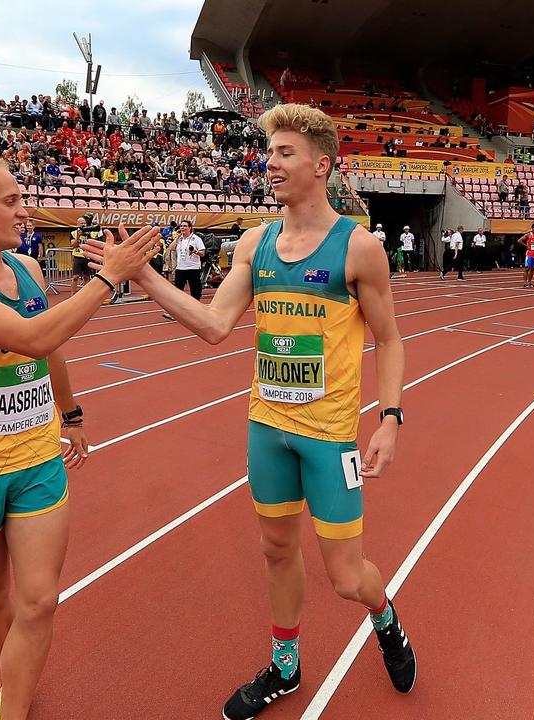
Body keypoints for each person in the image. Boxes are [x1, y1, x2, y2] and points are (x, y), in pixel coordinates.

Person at [85, 103, 415, 720]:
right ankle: (285, 668)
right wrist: (145, 278)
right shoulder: (255, 243)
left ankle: (384, 615)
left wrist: (390, 418)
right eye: (269, 153)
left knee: (346, 576)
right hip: (268, 428)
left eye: (285, 154)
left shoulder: (359, 248)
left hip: (327, 436)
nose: (270, 163)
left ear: (322, 166)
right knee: (275, 549)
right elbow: (213, 325)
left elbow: (389, 338)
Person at [0, 153, 159, 720]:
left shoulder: (28, 271)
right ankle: (12, 682)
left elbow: (49, 351)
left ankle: (10, 710)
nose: (25, 210)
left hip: (37, 458)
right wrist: (110, 277)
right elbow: (32, 337)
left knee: (39, 601)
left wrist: (72, 414)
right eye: (11, 200)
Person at [67, 213, 97, 292]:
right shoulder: (73, 233)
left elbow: (94, 243)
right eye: (81, 224)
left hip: (88, 256)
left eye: (84, 223)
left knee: (86, 277)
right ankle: (73, 295)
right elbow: (74, 245)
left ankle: (85, 294)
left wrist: (89, 234)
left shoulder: (92, 232)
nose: (83, 225)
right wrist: (78, 236)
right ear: (77, 225)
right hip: (78, 256)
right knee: (75, 277)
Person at [519, 223, 534, 288]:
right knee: (527, 268)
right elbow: (519, 241)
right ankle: (525, 282)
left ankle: (529, 282)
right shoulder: (528, 235)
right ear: (532, 228)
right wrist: (526, 246)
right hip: (529, 254)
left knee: (532, 269)